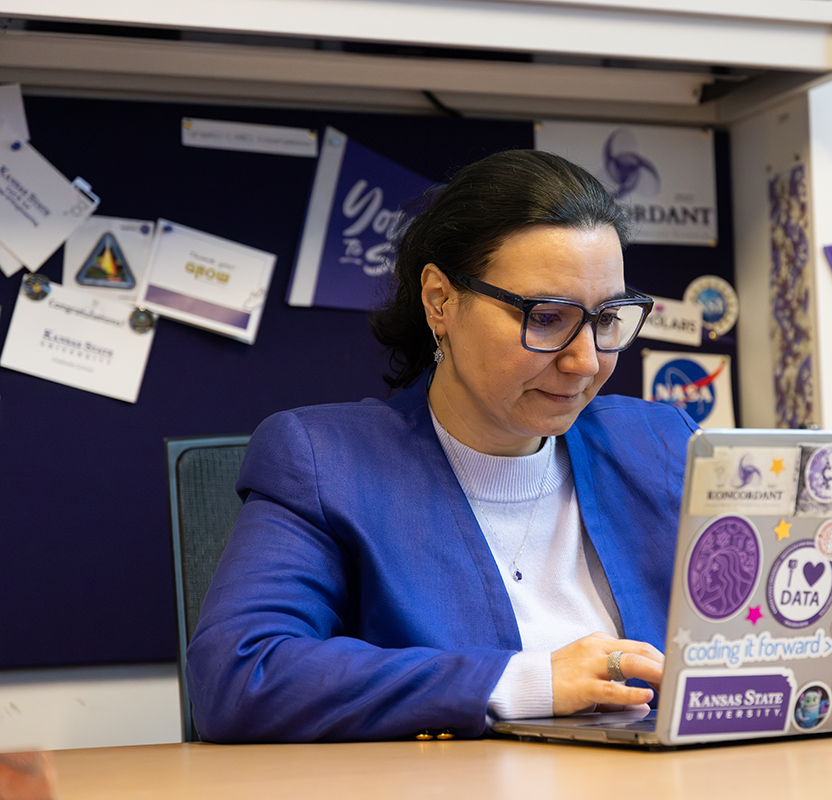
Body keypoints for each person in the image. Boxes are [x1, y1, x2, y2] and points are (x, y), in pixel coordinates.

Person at [186, 149, 699, 743]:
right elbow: (238, 676)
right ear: (440, 301)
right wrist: (527, 683)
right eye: (547, 317)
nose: (584, 360)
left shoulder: (662, 445)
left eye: (607, 318)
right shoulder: (323, 460)